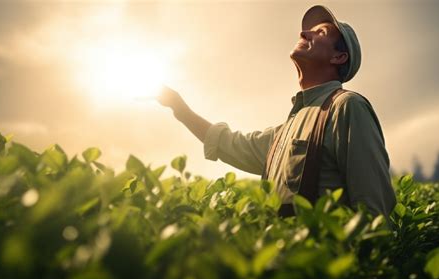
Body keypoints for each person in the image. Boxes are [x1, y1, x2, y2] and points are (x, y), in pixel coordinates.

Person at [157, 5, 396, 218]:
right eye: (307, 30)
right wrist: (179, 108)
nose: (304, 33)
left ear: (339, 56)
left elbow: (374, 213)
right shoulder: (285, 131)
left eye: (320, 32)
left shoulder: (347, 107)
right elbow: (227, 143)